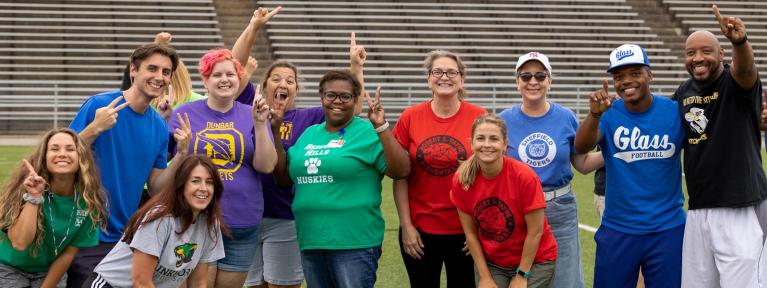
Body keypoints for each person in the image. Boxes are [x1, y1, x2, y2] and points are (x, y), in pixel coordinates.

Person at [272, 69, 409, 288]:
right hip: (312, 239)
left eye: (345, 96)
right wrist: (275, 131)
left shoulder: (365, 132)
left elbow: (401, 170)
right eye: (330, 95)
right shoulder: (309, 134)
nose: (337, 101)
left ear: (355, 100)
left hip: (353, 242)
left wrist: (382, 128)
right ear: (322, 98)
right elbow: (283, 178)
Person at [67, 43, 184, 287]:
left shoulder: (160, 127)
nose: (159, 77)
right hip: (85, 234)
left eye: (165, 72)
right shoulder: (100, 105)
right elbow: (62, 156)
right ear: (133, 70)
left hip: (125, 238)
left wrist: (181, 155)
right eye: (152, 68)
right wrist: (94, 129)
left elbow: (155, 187)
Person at [574, 44, 686, 288]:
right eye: (618, 76)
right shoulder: (608, 113)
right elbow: (581, 147)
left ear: (650, 75)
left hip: (668, 228)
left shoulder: (674, 112)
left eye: (635, 73)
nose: (626, 81)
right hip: (619, 228)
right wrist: (594, 115)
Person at [673, 6, 767, 288]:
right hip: (698, 208)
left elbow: (747, 70)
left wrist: (739, 42)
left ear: (722, 55)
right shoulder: (683, 91)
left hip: (739, 206)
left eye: (706, 51)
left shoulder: (735, 81)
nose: (698, 58)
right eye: (691, 53)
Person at [168, 47, 277, 288]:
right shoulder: (183, 114)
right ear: (205, 80)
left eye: (230, 74)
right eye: (217, 75)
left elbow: (266, 166)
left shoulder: (254, 114)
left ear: (239, 79)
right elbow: (162, 160)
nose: (224, 80)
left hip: (241, 222)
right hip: (195, 220)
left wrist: (260, 126)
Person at [499, 51, 603, 288]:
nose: (533, 82)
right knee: (520, 278)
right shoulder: (504, 120)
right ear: (517, 83)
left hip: (559, 207)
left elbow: (582, 164)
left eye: (540, 75)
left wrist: (613, 151)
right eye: (526, 76)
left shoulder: (565, 116)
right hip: (518, 209)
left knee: (565, 280)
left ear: (550, 81)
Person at [393, 50, 486, 287]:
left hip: (465, 231)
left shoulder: (479, 117)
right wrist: (406, 226)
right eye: (437, 72)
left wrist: (478, 226)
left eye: (452, 72)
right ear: (428, 79)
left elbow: (488, 177)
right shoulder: (410, 117)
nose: (444, 77)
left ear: (462, 79)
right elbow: (400, 175)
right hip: (421, 231)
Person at [86, 155, 227, 288]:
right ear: (181, 185)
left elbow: (198, 283)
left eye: (209, 182)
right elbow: (141, 283)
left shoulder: (210, 224)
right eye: (195, 181)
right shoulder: (159, 219)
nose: (203, 188)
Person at [451, 114, 558, 288]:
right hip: (495, 262)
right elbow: (470, 234)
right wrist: (485, 277)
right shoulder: (462, 180)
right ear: (471, 143)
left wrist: (522, 275)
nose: (486, 144)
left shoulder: (524, 177)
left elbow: (535, 232)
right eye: (480, 138)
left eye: (494, 139)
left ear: (504, 144)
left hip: (536, 260)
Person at [0, 128, 105, 288]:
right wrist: (34, 197)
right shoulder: (25, 188)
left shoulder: (88, 200)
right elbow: (19, 243)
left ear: (81, 158)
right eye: (54, 149)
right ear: (44, 158)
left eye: (70, 149)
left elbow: (68, 253)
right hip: (8, 266)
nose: (62, 154)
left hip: (48, 270)